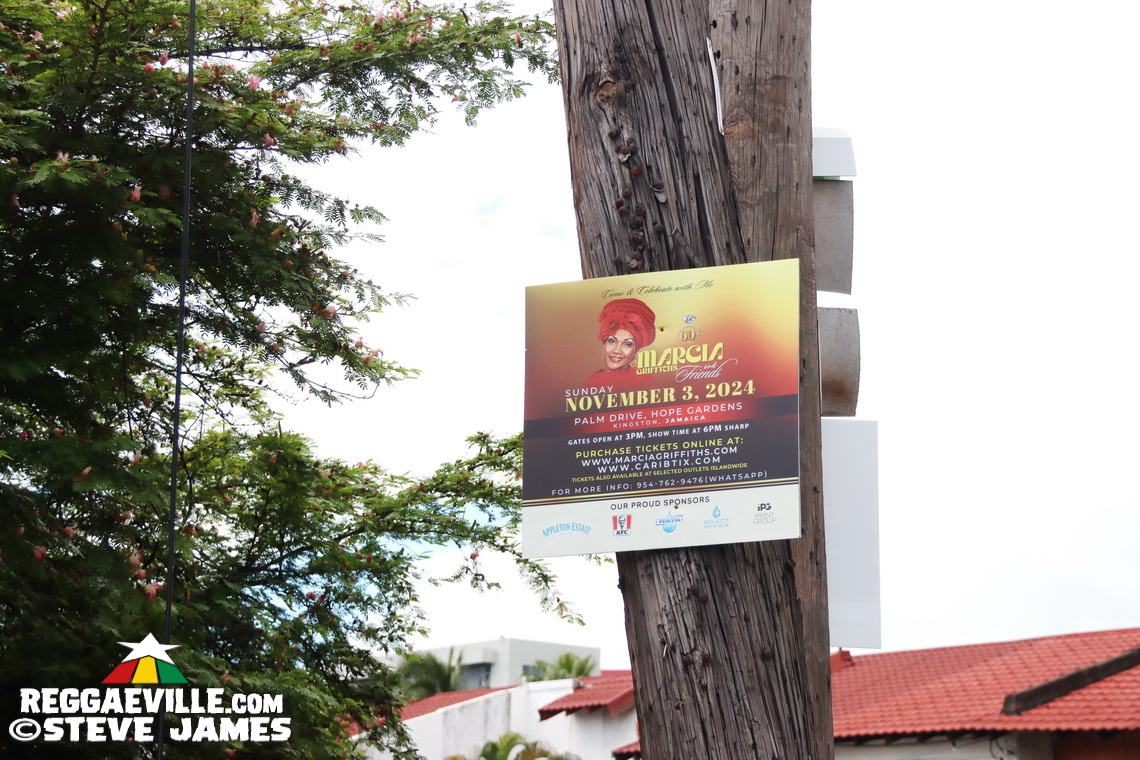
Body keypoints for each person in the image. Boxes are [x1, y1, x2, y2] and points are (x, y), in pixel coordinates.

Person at [586, 298, 656, 386]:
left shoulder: (643, 380)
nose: (617, 350)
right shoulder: (594, 380)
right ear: (605, 343)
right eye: (612, 341)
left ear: (635, 349)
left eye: (627, 344)